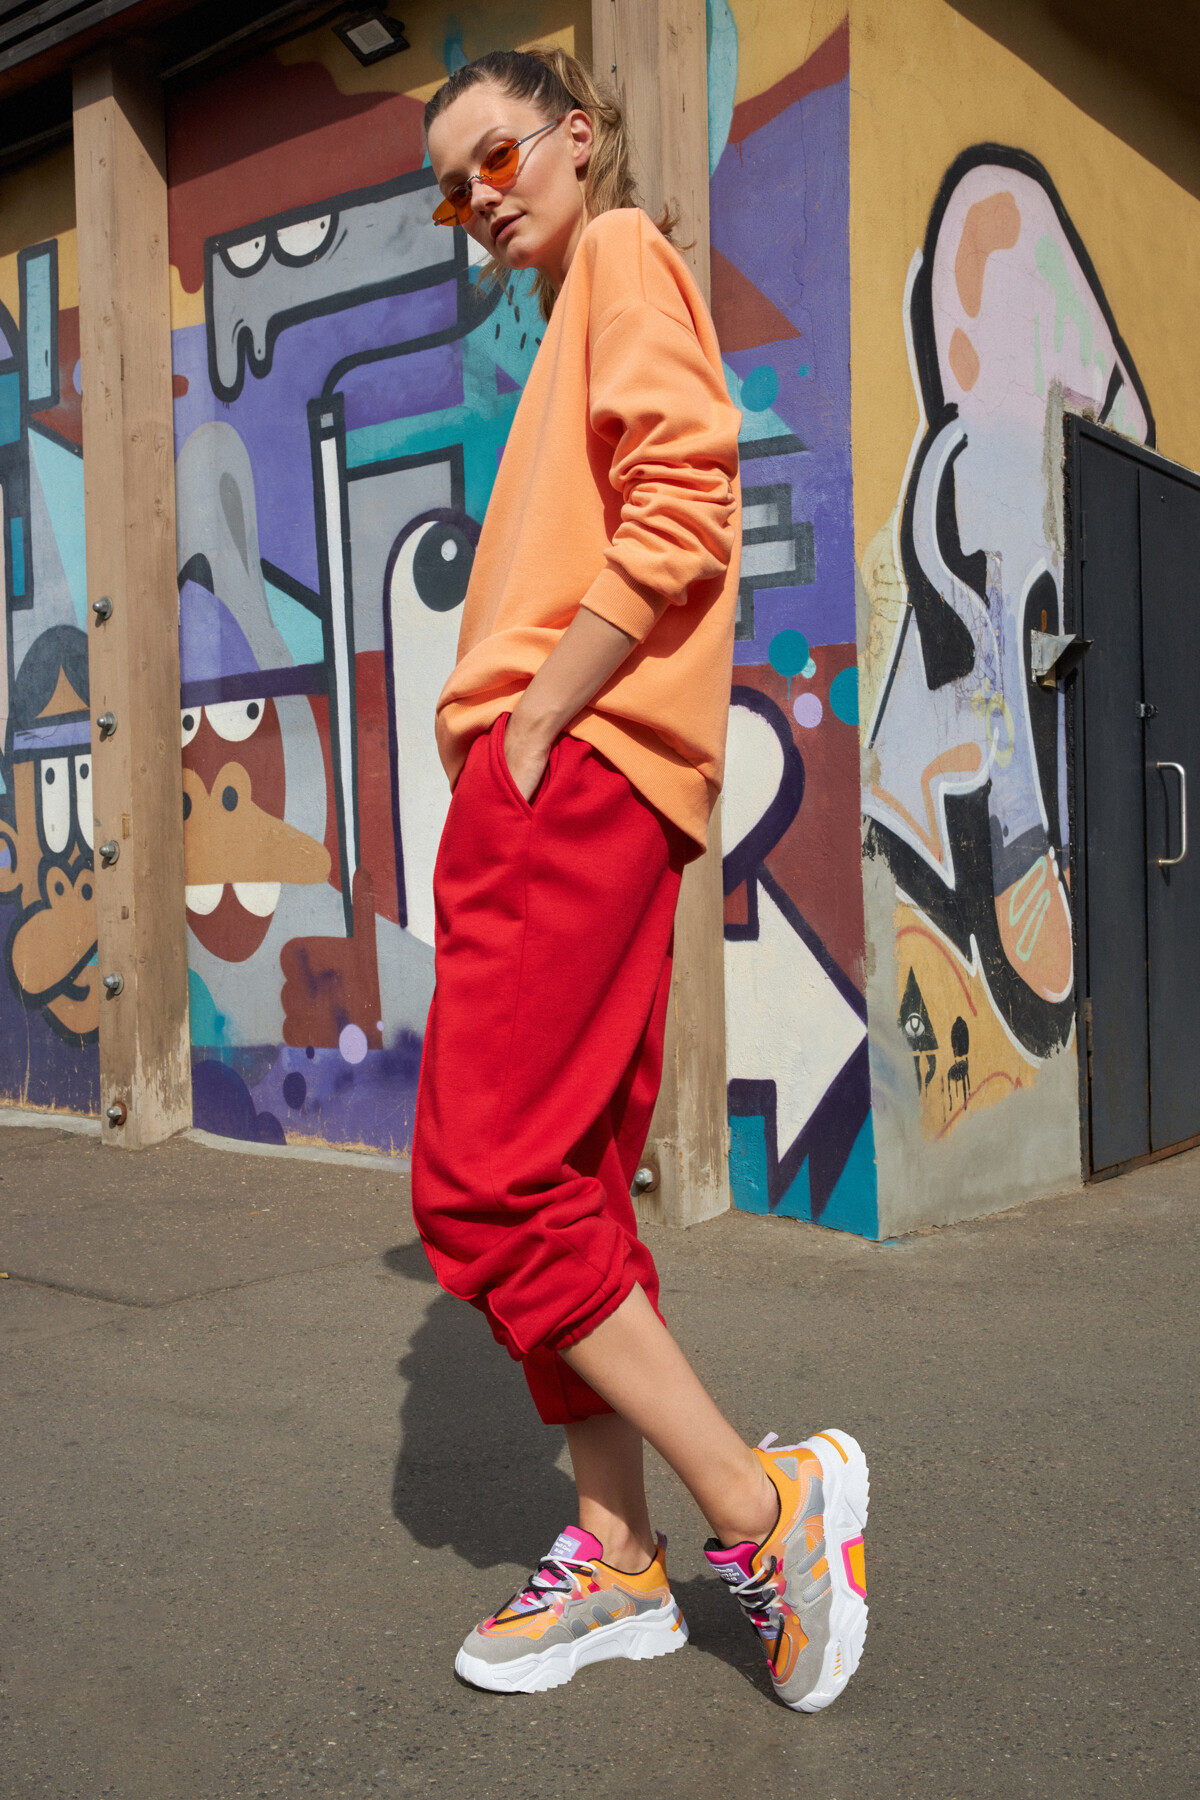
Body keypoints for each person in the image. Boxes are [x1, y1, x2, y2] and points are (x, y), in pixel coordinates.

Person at [411, 44, 869, 1711]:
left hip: (573, 771)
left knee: (481, 1189)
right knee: (571, 1186)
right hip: (583, 778)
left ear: (577, 135)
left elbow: (685, 494)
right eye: (448, 191)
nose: (476, 204)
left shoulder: (615, 251)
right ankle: (615, 1555)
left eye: (493, 159)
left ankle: (760, 1504)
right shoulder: (574, 308)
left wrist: (535, 717)